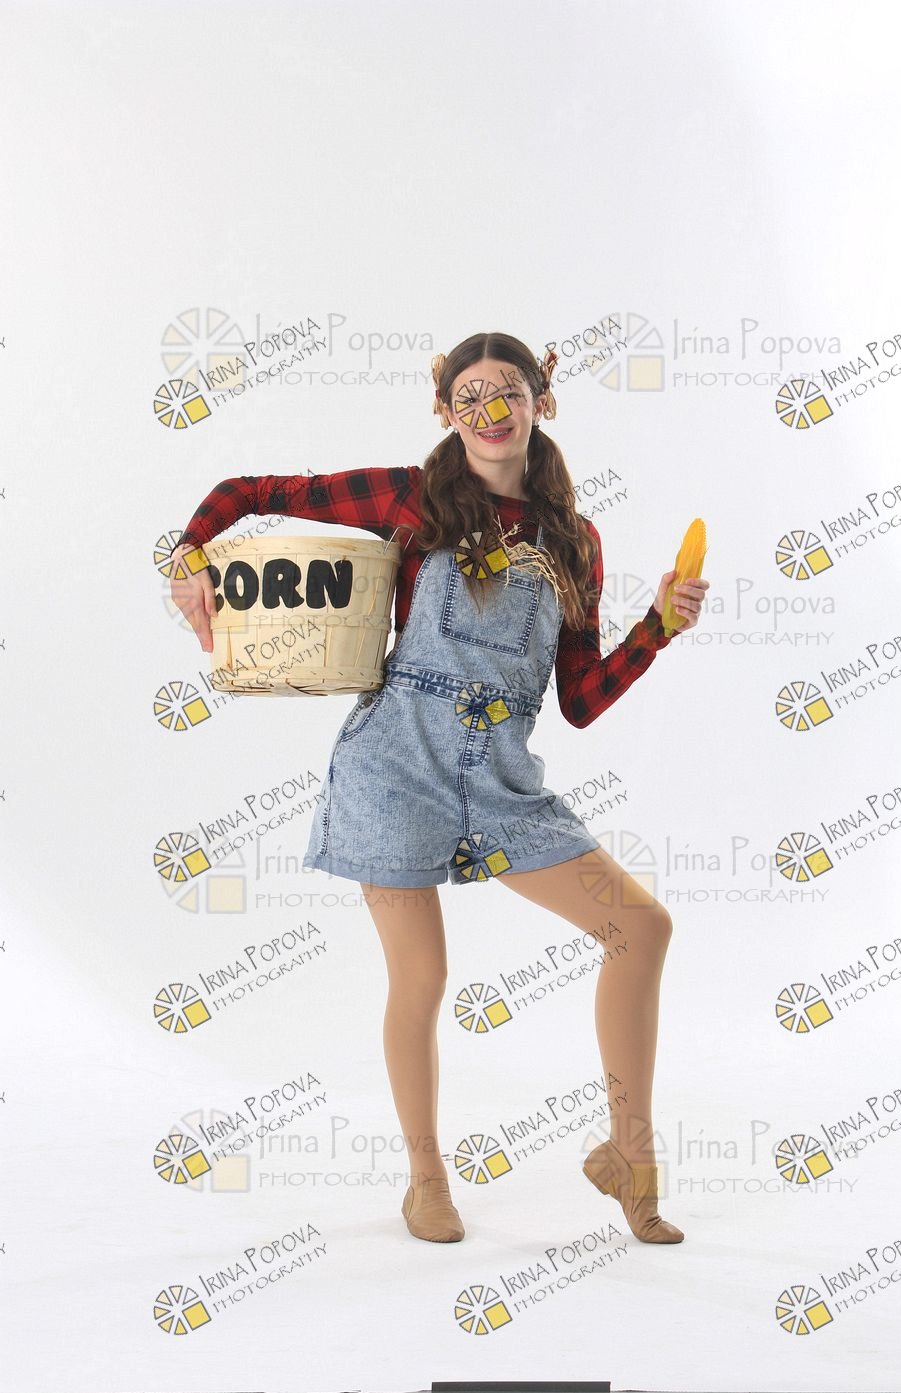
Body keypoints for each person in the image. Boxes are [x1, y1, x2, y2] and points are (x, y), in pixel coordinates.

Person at [169, 331, 710, 1248]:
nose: (492, 412)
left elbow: (578, 700)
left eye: (510, 393)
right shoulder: (410, 499)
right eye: (471, 397)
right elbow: (250, 493)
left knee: (640, 928)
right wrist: (190, 557)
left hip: (501, 779)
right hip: (395, 769)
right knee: (422, 979)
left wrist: (656, 627)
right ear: (445, 410)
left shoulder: (575, 541)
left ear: (542, 401)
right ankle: (426, 1182)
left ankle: (630, 1154)